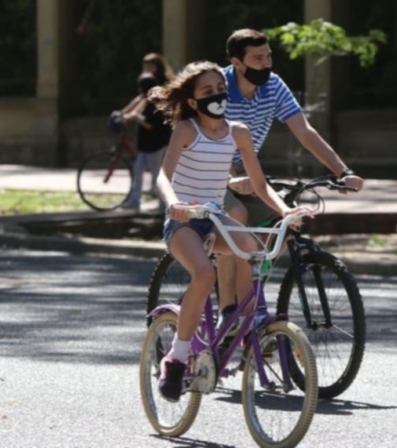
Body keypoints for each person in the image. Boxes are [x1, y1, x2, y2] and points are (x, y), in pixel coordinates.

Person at [150, 61, 305, 402]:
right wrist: (174, 202)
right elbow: (163, 175)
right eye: (207, 92)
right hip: (185, 220)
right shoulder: (187, 130)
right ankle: (176, 358)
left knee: (252, 253)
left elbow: (261, 186)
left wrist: (286, 211)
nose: (216, 96)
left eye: (220, 90)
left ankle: (250, 329)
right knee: (204, 273)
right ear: (192, 101)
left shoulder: (239, 132)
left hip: (217, 218)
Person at [215, 28, 365, 330]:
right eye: (258, 58)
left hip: (248, 171)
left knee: (286, 221)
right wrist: (233, 177)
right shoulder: (217, 86)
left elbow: (305, 132)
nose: (267, 63)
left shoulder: (273, 86)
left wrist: (342, 172)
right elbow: (209, 137)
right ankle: (228, 310)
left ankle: (248, 291)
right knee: (237, 216)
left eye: (269, 55)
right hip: (212, 171)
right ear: (237, 63)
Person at [117, 53, 175, 211]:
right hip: (147, 141)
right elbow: (140, 100)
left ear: (156, 67)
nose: (145, 69)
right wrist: (125, 113)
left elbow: (150, 117)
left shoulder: (160, 88)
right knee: (138, 169)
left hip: (157, 139)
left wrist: (134, 116)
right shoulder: (148, 86)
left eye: (148, 66)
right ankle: (134, 201)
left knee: (158, 174)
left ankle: (164, 204)